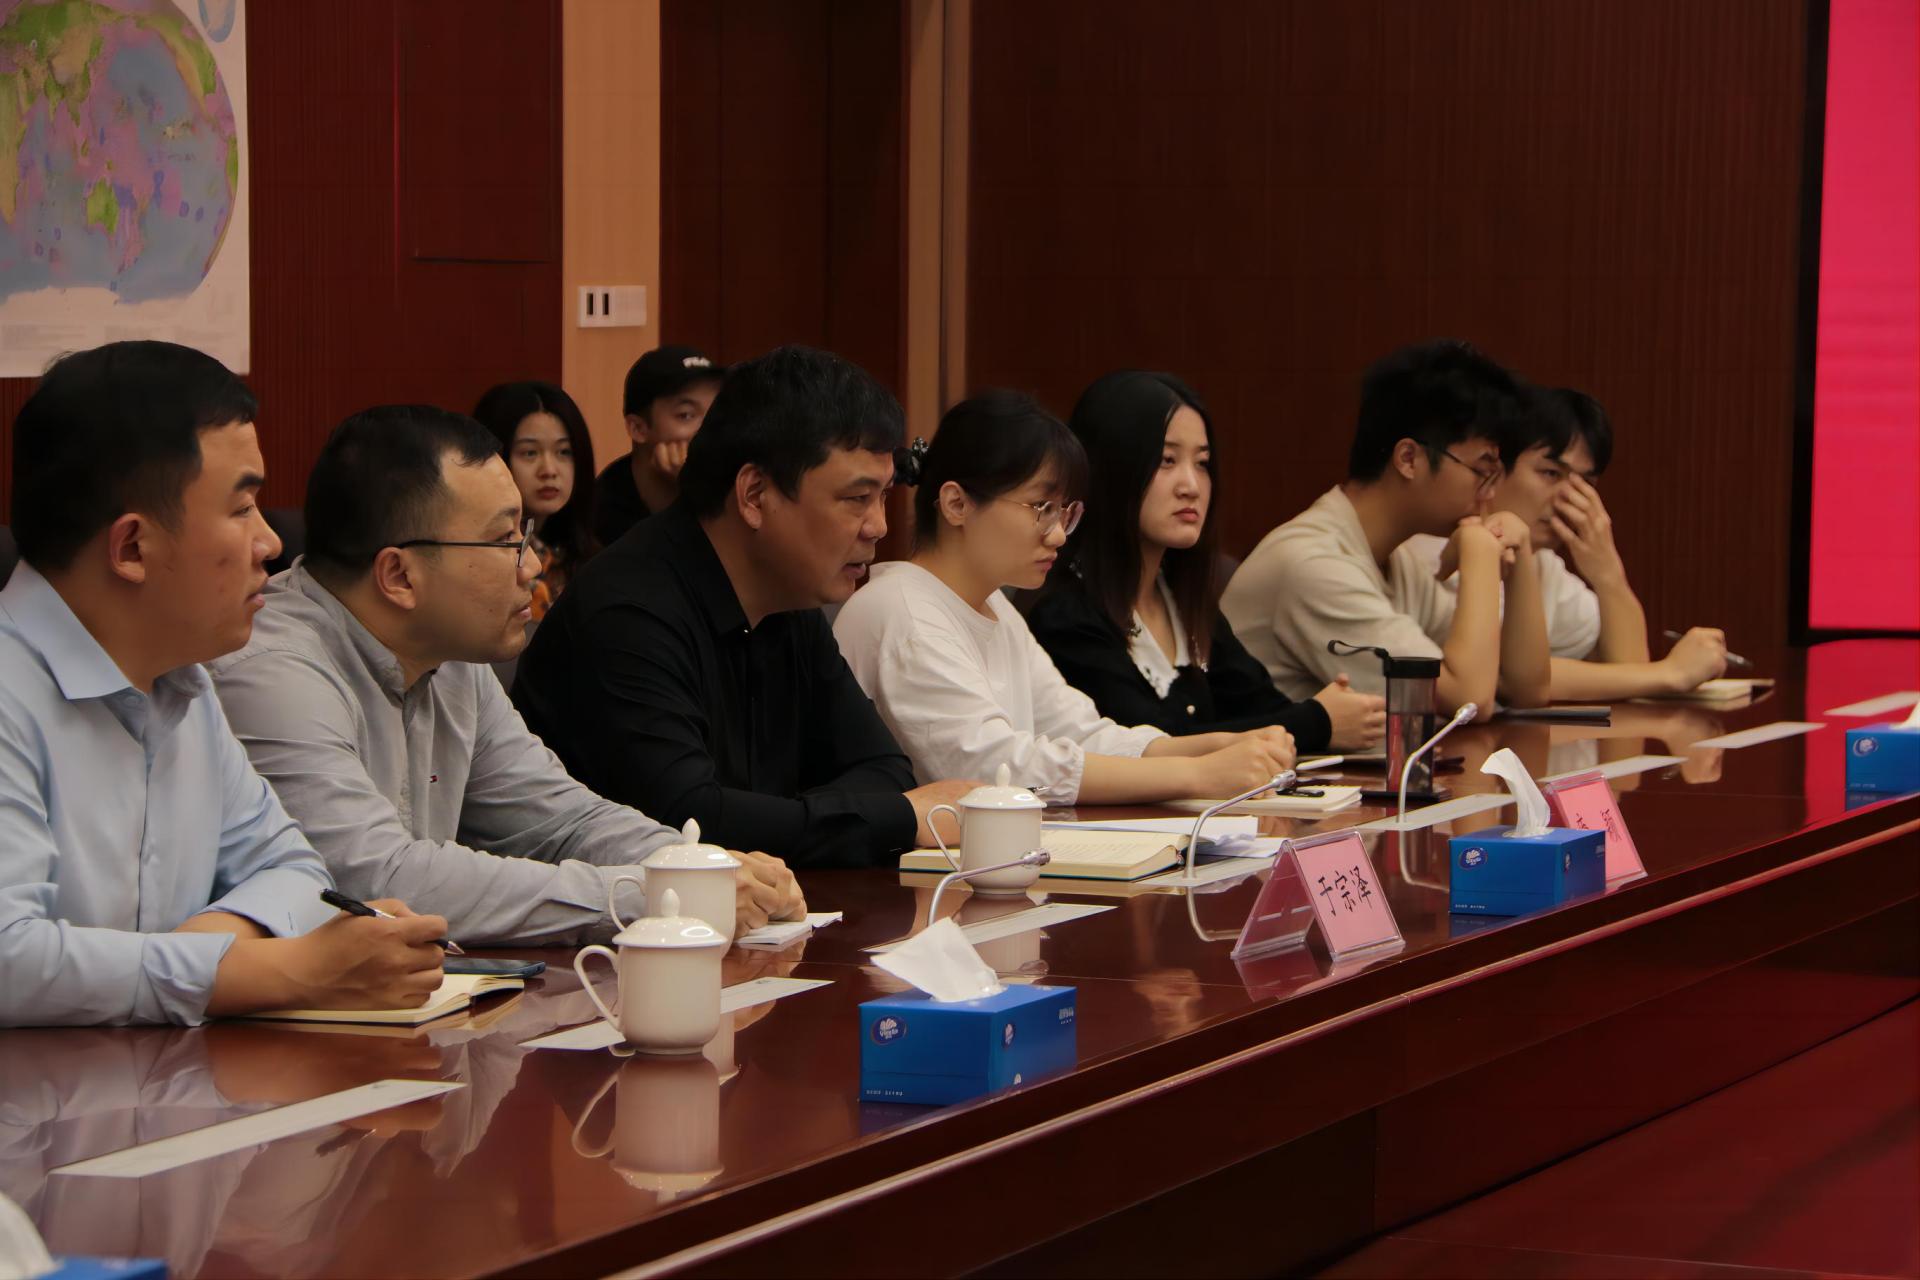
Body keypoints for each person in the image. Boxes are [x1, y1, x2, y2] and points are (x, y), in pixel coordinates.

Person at [208, 405, 803, 946]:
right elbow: (377, 882)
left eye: (526, 537)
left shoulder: (450, 658)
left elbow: (561, 820)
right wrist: (654, 896)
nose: (533, 565)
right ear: (400, 576)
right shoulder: (271, 672)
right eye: (505, 541)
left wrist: (697, 865)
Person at [0, 342, 445, 1026]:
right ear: (132, 548)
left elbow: (298, 871)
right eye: (242, 509)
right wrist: (281, 970)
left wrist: (206, 951)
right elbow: (10, 961)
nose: (271, 543)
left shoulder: (182, 684)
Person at [514, 345, 973, 867]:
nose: (879, 526)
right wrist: (889, 818)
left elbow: (884, 768)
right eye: (856, 499)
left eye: (884, 495)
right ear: (754, 495)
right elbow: (689, 825)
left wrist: (784, 820)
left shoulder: (788, 595)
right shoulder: (626, 611)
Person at [833, 391, 1296, 805]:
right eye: (1042, 509)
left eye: (1064, 513)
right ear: (957, 504)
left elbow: (1079, 733)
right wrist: (1197, 774)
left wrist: (1210, 747)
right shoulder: (903, 613)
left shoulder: (995, 609)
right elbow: (995, 769)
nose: (1058, 535)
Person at [1028, 370, 1386, 752]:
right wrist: (1317, 721)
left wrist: (1330, 716)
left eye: (1202, 463)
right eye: (1167, 460)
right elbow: (1154, 747)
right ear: (1111, 468)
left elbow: (1263, 707)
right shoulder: (1064, 614)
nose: (1191, 486)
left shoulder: (1181, 601)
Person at [1220, 340, 1551, 716]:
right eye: (1482, 470)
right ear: (1409, 459)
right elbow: (1468, 701)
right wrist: (1479, 548)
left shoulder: (1396, 562)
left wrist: (1521, 557)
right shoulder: (1315, 565)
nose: (1490, 494)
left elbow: (1524, 687)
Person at [1395, 387, 1728, 701]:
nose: (1570, 498)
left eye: (1585, 483)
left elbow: (1630, 672)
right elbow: (1502, 677)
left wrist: (1608, 574)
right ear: (1493, 470)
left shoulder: (1544, 567)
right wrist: (1669, 674)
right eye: (1551, 473)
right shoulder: (1435, 552)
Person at [471, 380, 599, 621]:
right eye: (530, 453)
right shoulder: (477, 562)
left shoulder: (588, 559)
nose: (549, 470)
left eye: (563, 452)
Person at [592, 345, 726, 546]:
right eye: (686, 415)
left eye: (715, 411)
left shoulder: (734, 488)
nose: (710, 427)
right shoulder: (600, 512)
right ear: (638, 428)